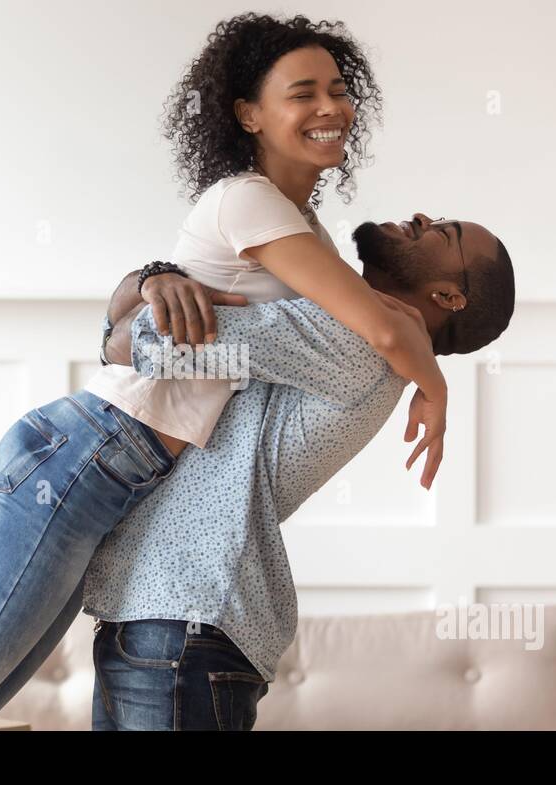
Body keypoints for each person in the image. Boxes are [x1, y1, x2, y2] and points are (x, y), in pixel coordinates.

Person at [0, 12, 441, 731]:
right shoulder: (250, 200)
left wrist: (148, 284)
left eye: (337, 89)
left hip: (109, 474)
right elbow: (382, 328)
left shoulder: (301, 233)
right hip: (88, 455)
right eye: (304, 92)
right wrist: (435, 387)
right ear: (248, 114)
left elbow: (143, 336)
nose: (330, 107)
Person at [87, 216, 515, 730]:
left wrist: (149, 286)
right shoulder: (362, 331)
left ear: (446, 297)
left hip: (182, 621)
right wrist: (153, 284)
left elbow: (146, 339)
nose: (425, 218)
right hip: (164, 620)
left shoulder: (356, 341)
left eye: (444, 234)